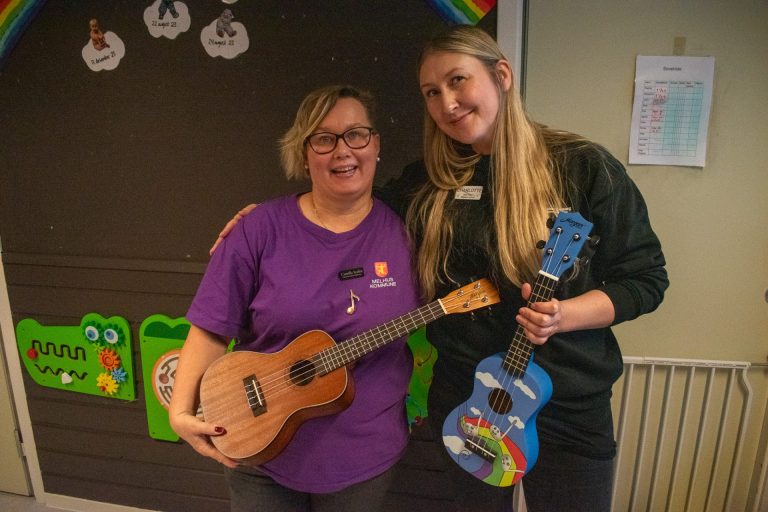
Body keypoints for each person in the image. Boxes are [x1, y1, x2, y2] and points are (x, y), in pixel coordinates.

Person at [214, 26, 668, 512]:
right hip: (467, 406)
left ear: (501, 76)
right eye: (432, 92)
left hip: (568, 410)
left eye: (458, 81)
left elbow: (645, 279)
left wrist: (567, 315)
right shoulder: (428, 183)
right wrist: (265, 220)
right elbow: (345, 205)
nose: (447, 103)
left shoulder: (582, 167)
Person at [169, 85, 421, 512]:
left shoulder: (411, 232)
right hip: (257, 448)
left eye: (356, 134)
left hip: (365, 460)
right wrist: (179, 411)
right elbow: (212, 327)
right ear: (304, 153)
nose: (343, 151)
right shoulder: (259, 229)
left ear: (375, 145)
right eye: (324, 139)